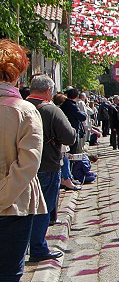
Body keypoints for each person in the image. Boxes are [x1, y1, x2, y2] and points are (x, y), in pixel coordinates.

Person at [0, 40, 45, 282]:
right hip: (13, 206)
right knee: (8, 279)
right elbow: (27, 165)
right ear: (17, 74)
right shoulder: (24, 110)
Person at [25, 75, 76, 263]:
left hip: (20, 166)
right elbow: (69, 136)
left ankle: (23, 247)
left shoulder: (18, 106)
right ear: (48, 91)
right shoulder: (51, 110)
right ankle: (38, 247)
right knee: (42, 208)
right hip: (46, 164)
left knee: (21, 209)